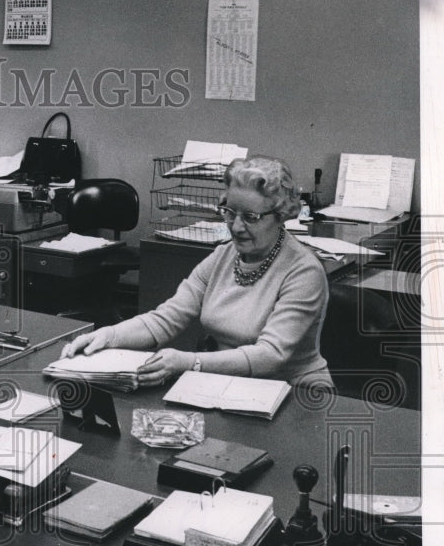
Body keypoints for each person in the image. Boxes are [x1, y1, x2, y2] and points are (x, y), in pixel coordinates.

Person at [62, 156, 332, 388]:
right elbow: (165, 319)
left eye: (250, 217)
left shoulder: (303, 271)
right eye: (229, 213)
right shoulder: (223, 256)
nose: (236, 227)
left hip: (293, 393)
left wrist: (188, 362)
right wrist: (107, 336)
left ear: (280, 215)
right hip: (231, 384)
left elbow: (270, 356)